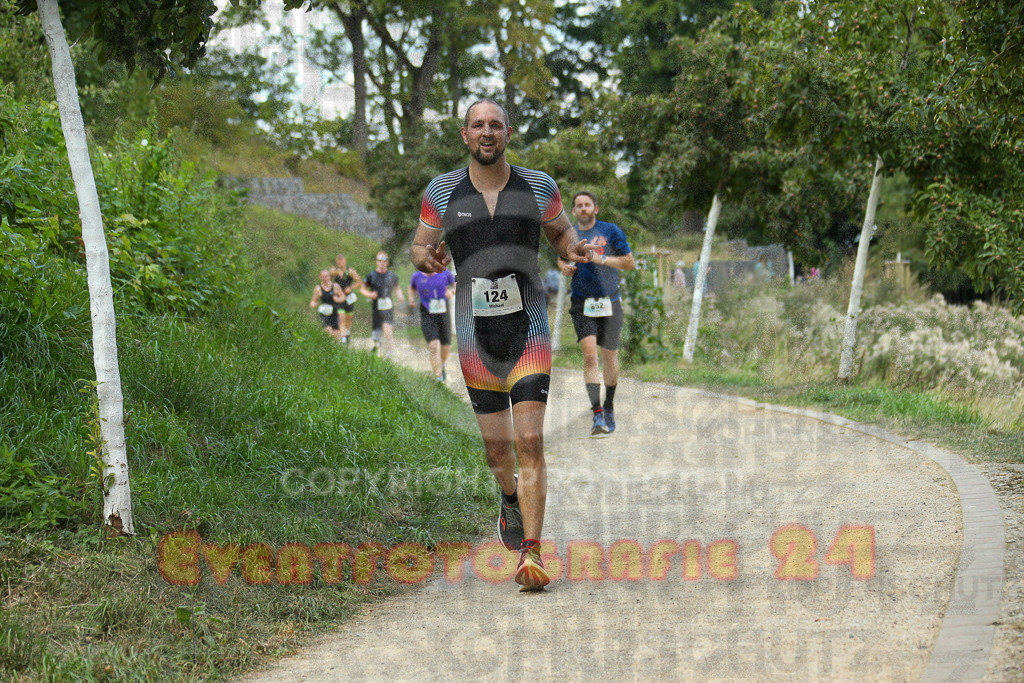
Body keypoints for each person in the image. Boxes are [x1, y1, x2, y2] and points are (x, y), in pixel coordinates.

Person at [410, 98, 595, 592]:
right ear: (465, 135)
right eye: (478, 125)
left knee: (530, 439)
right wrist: (426, 257)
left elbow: (560, 235)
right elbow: (419, 244)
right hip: (474, 335)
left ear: (508, 133)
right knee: (498, 451)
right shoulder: (442, 190)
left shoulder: (538, 186)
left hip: (528, 324)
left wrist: (571, 249)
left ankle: (531, 554)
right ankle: (509, 499)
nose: (487, 132)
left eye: (495, 124)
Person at [556, 191, 636, 436]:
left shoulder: (611, 231)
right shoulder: (569, 235)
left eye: (587, 204)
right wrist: (565, 267)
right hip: (582, 303)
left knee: (609, 357)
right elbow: (559, 259)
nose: (583, 208)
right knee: (590, 357)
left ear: (595, 209)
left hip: (609, 302)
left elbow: (629, 262)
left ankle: (609, 405)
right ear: (574, 210)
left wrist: (601, 259)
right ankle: (597, 413)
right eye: (578, 205)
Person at [407, 267, 456, 382]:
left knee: (446, 348)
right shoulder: (417, 276)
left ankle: (442, 365)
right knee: (434, 345)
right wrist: (411, 299)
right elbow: (411, 288)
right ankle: (438, 377)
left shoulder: (445, 273)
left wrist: (452, 292)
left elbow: (456, 284)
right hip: (427, 314)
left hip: (443, 314)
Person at [360, 251, 405, 357]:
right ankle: (376, 347)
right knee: (376, 335)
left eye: (384, 260)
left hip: (388, 308)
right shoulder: (371, 276)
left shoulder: (392, 276)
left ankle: (389, 354)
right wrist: (370, 294)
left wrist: (400, 296)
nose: (382, 263)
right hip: (376, 308)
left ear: (387, 262)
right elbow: (362, 289)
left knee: (388, 332)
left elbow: (397, 288)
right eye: (379, 260)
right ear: (376, 262)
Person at [331, 254, 363, 343]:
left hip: (349, 298)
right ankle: (343, 339)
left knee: (348, 319)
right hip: (339, 298)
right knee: (341, 318)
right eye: (338, 261)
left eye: (341, 261)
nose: (340, 263)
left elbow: (359, 282)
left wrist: (351, 288)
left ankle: (347, 333)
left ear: (345, 261)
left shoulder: (350, 271)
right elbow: (328, 280)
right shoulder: (335, 272)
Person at [309, 269, 344, 341]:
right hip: (324, 312)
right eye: (323, 276)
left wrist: (338, 299)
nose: (326, 278)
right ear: (320, 277)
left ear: (329, 276)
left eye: (327, 276)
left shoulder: (335, 286)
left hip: (334, 312)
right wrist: (314, 304)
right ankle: (328, 346)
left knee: (336, 335)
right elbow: (313, 301)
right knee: (328, 331)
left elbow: (343, 297)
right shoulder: (318, 288)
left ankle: (336, 349)